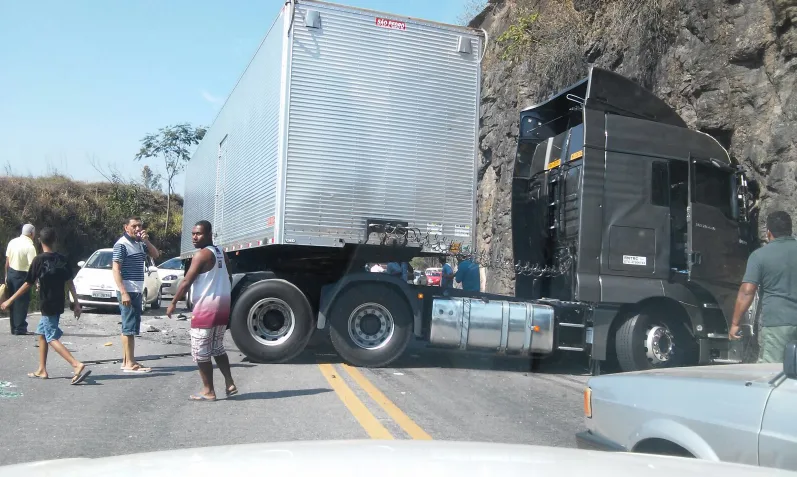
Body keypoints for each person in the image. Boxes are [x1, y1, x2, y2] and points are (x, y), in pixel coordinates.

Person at [1, 227, 91, 384]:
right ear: (55, 240)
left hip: (47, 304)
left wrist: (10, 300)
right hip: (57, 304)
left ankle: (76, 364)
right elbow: (70, 281)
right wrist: (76, 303)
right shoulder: (62, 259)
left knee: (50, 337)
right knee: (42, 334)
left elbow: (28, 283)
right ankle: (42, 369)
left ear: (39, 241)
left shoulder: (39, 260)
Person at [167, 220, 237, 401]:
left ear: (209, 235)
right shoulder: (221, 253)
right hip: (222, 309)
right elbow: (228, 277)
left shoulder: (201, 255)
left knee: (200, 352)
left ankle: (208, 390)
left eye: (198, 234)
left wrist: (174, 302)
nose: (194, 237)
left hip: (205, 310)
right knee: (217, 347)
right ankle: (229, 382)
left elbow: (186, 282)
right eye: (193, 234)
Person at [730, 211, 797, 363]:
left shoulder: (760, 256)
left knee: (773, 372)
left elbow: (747, 292)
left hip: (777, 324)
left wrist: (735, 323)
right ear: (790, 230)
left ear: (768, 232)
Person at [112, 216, 160, 373]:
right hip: (128, 290)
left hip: (137, 289)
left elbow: (155, 254)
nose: (138, 229)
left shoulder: (139, 244)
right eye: (134, 226)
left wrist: (146, 241)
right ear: (126, 227)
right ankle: (129, 363)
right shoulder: (122, 245)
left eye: (140, 225)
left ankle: (128, 360)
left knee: (131, 326)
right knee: (129, 327)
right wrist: (124, 292)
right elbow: (115, 270)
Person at [4, 224, 37, 335]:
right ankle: (20, 328)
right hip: (22, 275)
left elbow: (7, 261)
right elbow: (33, 266)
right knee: (21, 302)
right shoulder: (30, 247)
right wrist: (36, 282)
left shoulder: (12, 242)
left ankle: (14, 327)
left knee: (12, 301)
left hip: (11, 273)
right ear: (32, 233)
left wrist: (6, 275)